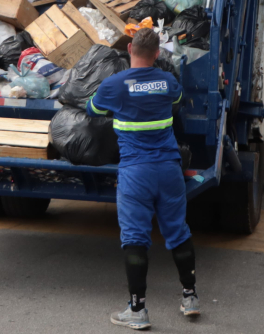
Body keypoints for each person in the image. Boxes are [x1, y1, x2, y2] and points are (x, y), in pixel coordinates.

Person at [86, 29, 199, 330]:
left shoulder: (114, 85)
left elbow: (92, 109)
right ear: (158, 54)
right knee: (178, 232)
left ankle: (138, 310)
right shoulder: (169, 81)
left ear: (128, 49)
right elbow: (177, 98)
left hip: (136, 172)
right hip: (169, 168)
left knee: (135, 238)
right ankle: (190, 298)